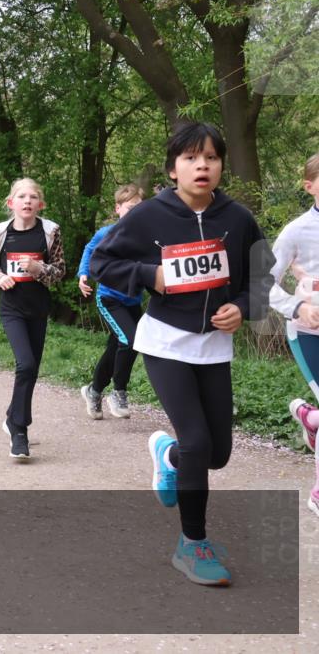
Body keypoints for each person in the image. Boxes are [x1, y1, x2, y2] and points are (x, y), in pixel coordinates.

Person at [91, 122, 274, 586]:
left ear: (221, 166)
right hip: (165, 341)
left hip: (213, 346)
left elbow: (262, 277)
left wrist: (243, 307)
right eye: (191, 158)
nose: (202, 166)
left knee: (217, 454)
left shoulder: (238, 219)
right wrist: (149, 275)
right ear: (173, 169)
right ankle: (193, 544)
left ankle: (168, 457)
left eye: (211, 157)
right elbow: (102, 263)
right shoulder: (149, 215)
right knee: (197, 441)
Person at [0, 178, 66, 460]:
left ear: (41, 204)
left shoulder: (51, 231)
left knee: (32, 369)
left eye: (33, 197)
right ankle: (19, 430)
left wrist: (39, 269)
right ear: (11, 203)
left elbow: (60, 271)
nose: (27, 201)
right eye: (21, 196)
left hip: (38, 308)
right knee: (25, 364)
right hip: (12, 308)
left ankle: (11, 416)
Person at [269, 153, 319, 516]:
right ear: (309, 186)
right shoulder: (295, 231)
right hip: (308, 333)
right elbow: (262, 282)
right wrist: (297, 307)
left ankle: (310, 418)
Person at [77, 184, 145, 419]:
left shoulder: (146, 235)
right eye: (130, 207)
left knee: (115, 347)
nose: (135, 212)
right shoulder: (107, 233)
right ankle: (118, 391)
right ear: (118, 208)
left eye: (139, 208)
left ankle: (94, 391)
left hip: (133, 300)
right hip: (110, 298)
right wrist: (83, 274)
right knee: (131, 341)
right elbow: (89, 249)